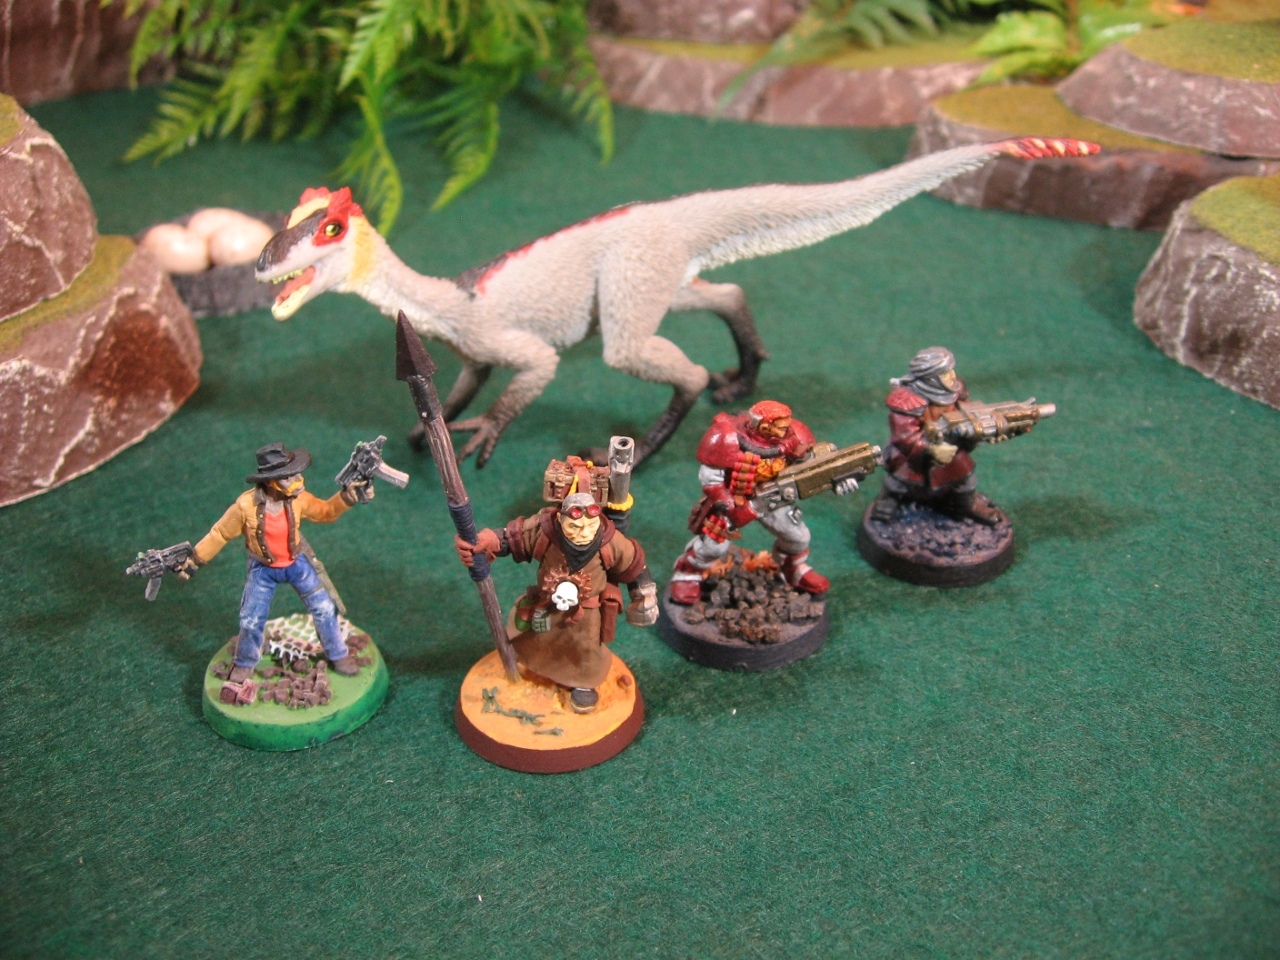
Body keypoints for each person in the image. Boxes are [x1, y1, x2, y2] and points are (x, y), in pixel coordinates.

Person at [177, 442, 373, 682]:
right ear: (271, 481)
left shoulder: (299, 499)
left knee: (324, 608)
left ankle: (338, 654)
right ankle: (245, 661)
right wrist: (195, 560)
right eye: (290, 476)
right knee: (251, 618)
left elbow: (325, 512)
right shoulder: (245, 506)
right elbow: (220, 534)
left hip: (297, 565)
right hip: (263, 570)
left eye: (298, 473)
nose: (299, 479)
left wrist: (347, 498)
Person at [455, 490, 658, 714]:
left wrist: (644, 594)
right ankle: (536, 664)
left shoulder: (611, 541)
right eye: (575, 527)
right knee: (536, 637)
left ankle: (584, 683)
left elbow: (635, 565)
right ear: (561, 519)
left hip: (586, 613)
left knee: (585, 648)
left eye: (590, 526)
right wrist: (486, 542)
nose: (584, 533)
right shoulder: (544, 530)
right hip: (548, 604)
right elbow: (511, 537)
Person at [670, 400, 854, 605]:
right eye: (781, 426)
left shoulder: (795, 435)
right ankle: (687, 574)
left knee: (798, 537)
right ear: (764, 426)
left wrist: (837, 478)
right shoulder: (728, 436)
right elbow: (711, 478)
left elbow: (813, 465)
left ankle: (793, 570)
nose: (787, 429)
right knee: (714, 547)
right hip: (734, 500)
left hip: (775, 498)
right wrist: (728, 505)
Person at [869, 346, 1004, 526]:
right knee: (897, 483)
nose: (952, 376)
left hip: (950, 447)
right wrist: (930, 449)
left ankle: (966, 507)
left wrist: (983, 430)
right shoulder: (906, 402)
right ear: (931, 378)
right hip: (912, 455)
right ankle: (885, 507)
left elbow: (968, 412)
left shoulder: (955, 388)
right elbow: (904, 437)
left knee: (965, 480)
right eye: (946, 373)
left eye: (951, 370)